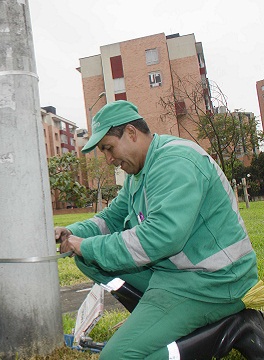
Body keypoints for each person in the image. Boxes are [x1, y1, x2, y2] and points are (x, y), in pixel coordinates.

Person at [55, 100, 263, 359]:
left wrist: (84, 244)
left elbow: (160, 238)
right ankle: (161, 320)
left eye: (108, 148)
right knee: (89, 261)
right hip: (176, 273)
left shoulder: (175, 163)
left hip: (215, 281)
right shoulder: (139, 172)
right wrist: (70, 233)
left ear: (131, 133)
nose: (108, 159)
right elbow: (110, 219)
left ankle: (229, 326)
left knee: (117, 357)